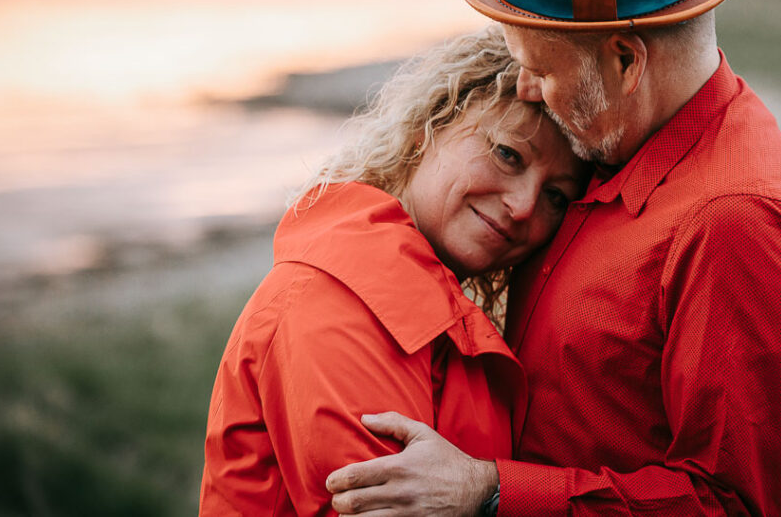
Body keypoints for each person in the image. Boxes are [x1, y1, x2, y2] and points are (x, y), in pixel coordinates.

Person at [325, 0, 781, 516]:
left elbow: (732, 504)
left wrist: (488, 490)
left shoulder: (736, 221)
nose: (523, 89)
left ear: (626, 62)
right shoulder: (610, 141)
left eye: (540, 69)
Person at [199, 26, 587, 515]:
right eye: (508, 154)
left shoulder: (422, 296)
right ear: (433, 123)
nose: (525, 206)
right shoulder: (339, 301)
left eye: (557, 196)